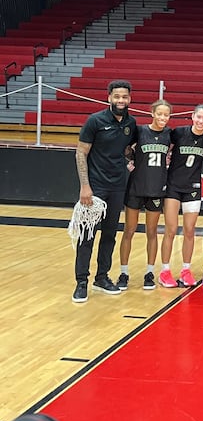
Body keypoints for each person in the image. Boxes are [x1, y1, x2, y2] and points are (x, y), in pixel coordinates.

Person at [72, 80, 137, 303]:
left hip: (118, 187)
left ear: (130, 99)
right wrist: (85, 186)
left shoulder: (131, 122)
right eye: (117, 96)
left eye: (125, 97)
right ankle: (82, 282)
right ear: (109, 97)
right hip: (95, 187)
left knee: (109, 235)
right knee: (87, 235)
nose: (121, 100)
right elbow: (80, 153)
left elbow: (130, 148)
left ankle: (102, 277)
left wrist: (129, 161)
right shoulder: (95, 121)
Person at [116, 100, 172, 291]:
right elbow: (124, 147)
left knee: (152, 232)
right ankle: (123, 273)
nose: (163, 118)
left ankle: (149, 272)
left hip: (156, 189)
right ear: (152, 113)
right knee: (129, 231)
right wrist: (130, 159)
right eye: (160, 114)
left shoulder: (169, 135)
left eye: (166, 115)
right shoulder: (140, 131)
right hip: (136, 187)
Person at [159, 104, 203, 288]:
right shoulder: (179, 133)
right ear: (192, 116)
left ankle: (185, 270)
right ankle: (165, 271)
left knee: (190, 230)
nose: (201, 121)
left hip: (192, 188)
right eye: (198, 117)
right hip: (173, 187)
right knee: (171, 230)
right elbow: (162, 144)